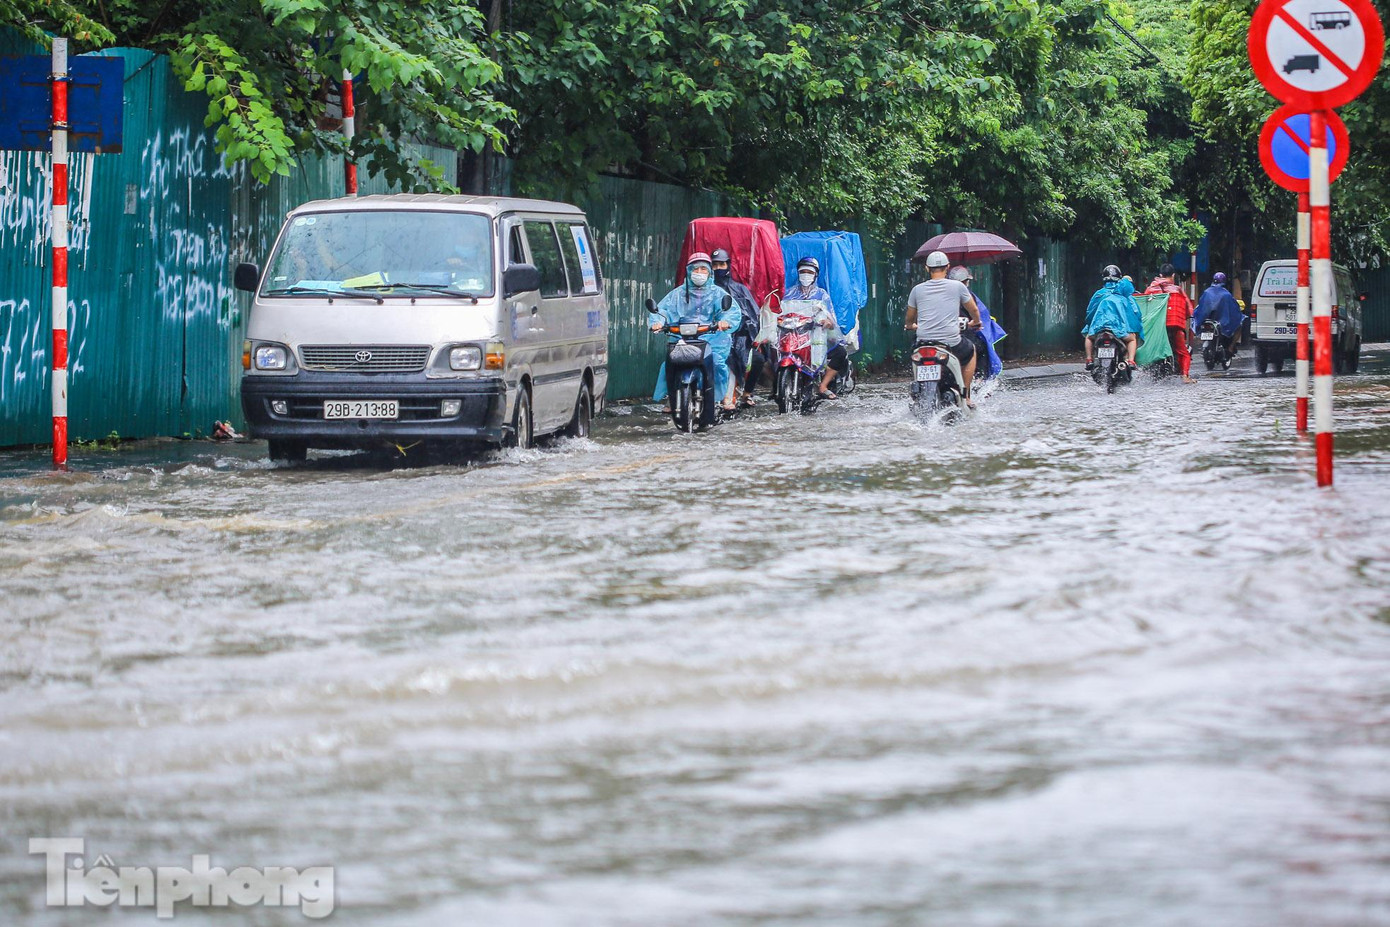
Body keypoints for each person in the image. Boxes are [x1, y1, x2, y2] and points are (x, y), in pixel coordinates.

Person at [649, 253, 739, 422]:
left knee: (718, 364)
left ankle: (718, 398)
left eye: (703, 269)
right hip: (681, 337)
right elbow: (663, 310)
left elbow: (731, 312)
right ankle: (671, 395)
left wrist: (725, 322)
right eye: (695, 269)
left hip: (712, 338)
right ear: (689, 271)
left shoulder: (718, 293)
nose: (699, 272)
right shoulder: (677, 294)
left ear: (709, 272)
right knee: (668, 363)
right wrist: (658, 322)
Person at [904, 250, 981, 404]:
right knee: (971, 350)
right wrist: (976, 322)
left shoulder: (917, 290)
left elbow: (909, 318)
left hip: (923, 342)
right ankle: (965, 396)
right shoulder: (958, 287)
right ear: (947, 267)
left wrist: (910, 325)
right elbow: (973, 310)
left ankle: (919, 392)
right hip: (951, 343)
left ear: (927, 268)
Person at [784, 257, 849, 400]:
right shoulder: (788, 294)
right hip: (795, 337)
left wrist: (827, 322)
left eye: (809, 272)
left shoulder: (822, 295)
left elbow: (831, 319)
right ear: (798, 273)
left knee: (840, 352)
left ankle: (823, 386)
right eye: (803, 271)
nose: (806, 275)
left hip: (817, 336)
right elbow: (781, 312)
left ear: (815, 275)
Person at [711, 248, 760, 410]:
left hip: (737, 336)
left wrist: (741, 329)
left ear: (728, 265)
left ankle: (736, 395)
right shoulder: (703, 291)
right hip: (707, 334)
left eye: (721, 264)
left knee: (750, 358)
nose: (718, 268)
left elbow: (752, 315)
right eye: (715, 265)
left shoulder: (739, 290)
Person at [947, 265, 1006, 378]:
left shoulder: (942, 294)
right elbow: (975, 311)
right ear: (965, 281)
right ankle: (980, 378)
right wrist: (977, 322)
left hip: (941, 334)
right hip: (962, 335)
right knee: (982, 348)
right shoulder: (966, 295)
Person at [1083, 264, 1142, 369]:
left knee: (1088, 336)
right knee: (1132, 338)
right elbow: (1135, 312)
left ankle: (1089, 359)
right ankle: (1131, 361)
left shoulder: (1098, 294)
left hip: (1099, 328)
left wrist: (1090, 324)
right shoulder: (1124, 295)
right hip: (1119, 330)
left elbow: (1090, 312)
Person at [1144, 263, 1195, 383]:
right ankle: (1185, 377)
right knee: (1183, 352)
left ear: (1160, 275)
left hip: (1156, 328)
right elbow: (1189, 309)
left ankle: (1144, 373)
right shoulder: (1177, 290)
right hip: (1175, 326)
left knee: (1149, 347)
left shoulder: (1150, 290)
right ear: (1173, 275)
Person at [1192, 271, 1244, 360]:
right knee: (1240, 322)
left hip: (1207, 319)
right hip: (1221, 322)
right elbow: (1233, 309)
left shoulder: (1206, 292)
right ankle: (1231, 348)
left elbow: (1200, 307)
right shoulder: (1226, 294)